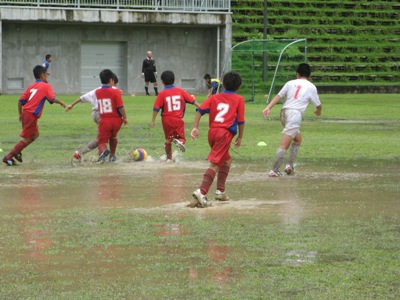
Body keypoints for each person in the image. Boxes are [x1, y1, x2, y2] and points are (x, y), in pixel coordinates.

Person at [190, 71, 245, 208]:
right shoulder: (239, 99)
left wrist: (195, 127)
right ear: (238, 87)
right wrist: (240, 137)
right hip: (224, 134)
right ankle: (201, 192)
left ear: (223, 84)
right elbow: (241, 121)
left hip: (212, 133)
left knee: (226, 160)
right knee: (215, 163)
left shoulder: (214, 97)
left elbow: (199, 111)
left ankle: (220, 191)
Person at [262, 63, 322, 177]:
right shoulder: (311, 86)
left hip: (284, 113)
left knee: (298, 139)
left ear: (297, 74)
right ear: (309, 76)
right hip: (294, 115)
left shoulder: (290, 83)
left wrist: (268, 107)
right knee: (284, 145)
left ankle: (289, 165)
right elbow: (318, 104)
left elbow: (278, 96)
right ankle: (274, 170)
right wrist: (318, 111)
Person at [3, 65, 66, 166]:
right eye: (46, 75)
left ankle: (17, 152)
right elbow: (52, 99)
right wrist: (62, 102)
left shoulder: (31, 86)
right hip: (31, 115)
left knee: (35, 135)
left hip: (26, 114)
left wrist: (20, 115)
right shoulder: (46, 86)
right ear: (42, 75)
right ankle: (9, 157)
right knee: (28, 138)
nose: (47, 77)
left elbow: (20, 101)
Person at [66, 73, 120, 162]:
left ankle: (99, 154)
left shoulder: (97, 90)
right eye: (115, 84)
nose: (115, 86)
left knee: (105, 137)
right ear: (111, 81)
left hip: (96, 114)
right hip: (103, 115)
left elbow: (82, 97)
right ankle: (82, 153)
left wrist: (72, 104)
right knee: (103, 138)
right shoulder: (113, 89)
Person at [151, 70, 199, 161]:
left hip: (165, 119)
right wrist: (201, 107)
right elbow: (193, 101)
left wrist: (153, 120)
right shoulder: (180, 91)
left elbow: (156, 108)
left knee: (168, 139)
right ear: (174, 80)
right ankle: (179, 142)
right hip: (177, 119)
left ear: (162, 82)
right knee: (181, 138)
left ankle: (169, 158)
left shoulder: (162, 93)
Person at [96, 69, 128, 163]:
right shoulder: (116, 91)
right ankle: (112, 156)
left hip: (105, 119)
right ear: (111, 80)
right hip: (117, 120)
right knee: (113, 137)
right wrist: (125, 118)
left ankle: (104, 151)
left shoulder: (97, 92)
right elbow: (120, 107)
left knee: (101, 142)